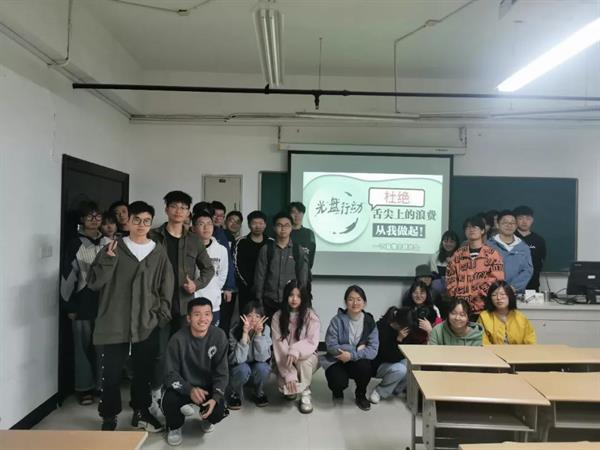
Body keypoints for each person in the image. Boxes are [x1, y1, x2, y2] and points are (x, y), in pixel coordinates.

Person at [87, 201, 174, 432]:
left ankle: (141, 412)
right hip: (114, 322)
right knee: (111, 374)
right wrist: (108, 260)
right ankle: (109, 416)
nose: (141, 225)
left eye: (146, 221)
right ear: (128, 221)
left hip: (146, 323)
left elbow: (167, 287)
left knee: (143, 373)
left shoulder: (158, 252)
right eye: (137, 220)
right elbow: (94, 282)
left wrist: (160, 315)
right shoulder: (113, 248)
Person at [148, 191, 215, 413]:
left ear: (188, 213)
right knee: (159, 353)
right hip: (157, 306)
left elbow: (208, 269)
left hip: (184, 306)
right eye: (174, 206)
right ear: (166, 209)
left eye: (184, 207)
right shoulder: (153, 237)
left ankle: (178, 396)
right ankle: (155, 396)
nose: (179, 211)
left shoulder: (194, 240)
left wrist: (197, 284)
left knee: (182, 353)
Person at [60, 201, 110, 405]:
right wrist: (69, 305)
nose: (94, 219)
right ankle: (84, 388)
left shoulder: (109, 242)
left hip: (106, 302)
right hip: (82, 301)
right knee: (81, 347)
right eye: (90, 216)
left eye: (98, 216)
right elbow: (68, 277)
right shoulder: (75, 244)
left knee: (103, 346)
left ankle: (101, 385)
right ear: (82, 219)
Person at [162, 298, 229, 447]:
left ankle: (207, 417)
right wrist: (189, 389)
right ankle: (175, 426)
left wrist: (216, 397)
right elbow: (169, 374)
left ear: (212, 316)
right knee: (168, 400)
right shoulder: (177, 339)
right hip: (184, 385)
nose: (203, 319)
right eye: (197, 314)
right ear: (189, 318)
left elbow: (222, 372)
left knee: (218, 409)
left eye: (207, 314)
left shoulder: (219, 336)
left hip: (208, 387)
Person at [321, 285, 379, 411]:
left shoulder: (369, 322)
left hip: (357, 360)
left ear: (364, 302)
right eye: (351, 299)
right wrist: (356, 349)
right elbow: (331, 345)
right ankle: (337, 391)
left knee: (365, 366)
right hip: (337, 359)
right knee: (337, 381)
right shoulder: (337, 320)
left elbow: (373, 350)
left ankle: (361, 395)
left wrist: (352, 355)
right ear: (345, 302)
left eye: (359, 299)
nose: (355, 303)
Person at [271, 280, 320, 414]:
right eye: (291, 295)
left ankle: (305, 391)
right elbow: (279, 347)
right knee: (285, 387)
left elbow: (312, 341)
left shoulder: (311, 316)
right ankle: (295, 383)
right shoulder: (277, 316)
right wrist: (289, 374)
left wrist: (296, 350)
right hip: (284, 359)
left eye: (298, 296)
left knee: (304, 362)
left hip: (306, 358)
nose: (294, 299)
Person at [446, 216, 505, 319]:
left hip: (485, 307)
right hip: (461, 308)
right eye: (468, 227)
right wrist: (459, 297)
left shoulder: (492, 254)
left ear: (482, 230)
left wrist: (477, 295)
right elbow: (450, 278)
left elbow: (497, 279)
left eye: (475, 227)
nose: (471, 229)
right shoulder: (457, 255)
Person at [254, 212, 309, 318]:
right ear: (274, 228)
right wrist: (259, 302)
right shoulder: (266, 250)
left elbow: (302, 278)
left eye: (287, 225)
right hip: (269, 302)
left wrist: (301, 300)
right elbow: (259, 278)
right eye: (279, 225)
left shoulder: (298, 250)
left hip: (291, 303)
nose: (283, 228)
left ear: (291, 228)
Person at [227, 302, 271, 410]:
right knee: (243, 368)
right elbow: (238, 359)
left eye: (257, 316)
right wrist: (244, 334)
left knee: (263, 367)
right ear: (243, 317)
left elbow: (262, 358)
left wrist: (259, 334)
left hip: (256, 367)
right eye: (250, 315)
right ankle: (235, 393)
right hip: (239, 369)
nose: (253, 319)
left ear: (262, 318)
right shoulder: (234, 330)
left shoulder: (266, 329)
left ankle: (258, 392)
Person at [191, 210, 229, 326]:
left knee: (212, 333)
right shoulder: (188, 248)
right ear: (193, 228)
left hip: (213, 302)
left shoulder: (221, 249)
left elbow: (222, 274)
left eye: (209, 224)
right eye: (201, 224)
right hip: (193, 300)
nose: (206, 227)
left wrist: (215, 289)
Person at [368, 306, 411, 405]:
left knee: (411, 364)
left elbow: (404, 354)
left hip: (393, 360)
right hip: (377, 364)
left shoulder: (404, 330)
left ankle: (396, 389)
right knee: (401, 369)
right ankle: (379, 392)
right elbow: (390, 357)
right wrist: (399, 339)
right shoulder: (381, 327)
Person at [487, 210, 533, 294]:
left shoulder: (523, 247)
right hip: (493, 293)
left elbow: (527, 270)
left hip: (516, 293)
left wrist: (512, 287)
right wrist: (496, 288)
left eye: (512, 223)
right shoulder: (488, 246)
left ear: (516, 226)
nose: (509, 225)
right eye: (505, 223)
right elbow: (483, 270)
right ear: (497, 225)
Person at [478, 281, 537, 345]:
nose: (498, 298)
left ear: (510, 296)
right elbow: (482, 341)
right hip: (491, 351)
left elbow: (530, 340)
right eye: (494, 295)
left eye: (502, 294)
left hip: (518, 351)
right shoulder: (484, 317)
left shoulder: (520, 317)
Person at [234, 210, 268, 314]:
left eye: (261, 223)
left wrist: (264, 285)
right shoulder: (241, 242)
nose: (258, 226)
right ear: (249, 225)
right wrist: (251, 285)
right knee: (246, 318)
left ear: (265, 225)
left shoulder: (271, 242)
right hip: (246, 289)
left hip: (267, 290)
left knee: (265, 318)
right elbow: (237, 266)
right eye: (254, 223)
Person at [514, 205, 547, 291]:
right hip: (512, 285)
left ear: (532, 220)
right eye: (520, 218)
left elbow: (541, 261)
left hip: (533, 284)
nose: (524, 221)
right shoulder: (510, 238)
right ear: (515, 220)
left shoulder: (539, 240)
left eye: (528, 218)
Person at [289, 202, 316, 270]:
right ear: (289, 214)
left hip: (304, 271)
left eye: (300, 212)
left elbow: (311, 255)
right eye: (294, 212)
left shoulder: (309, 233)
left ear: (303, 214)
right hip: (287, 271)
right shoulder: (285, 232)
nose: (297, 215)